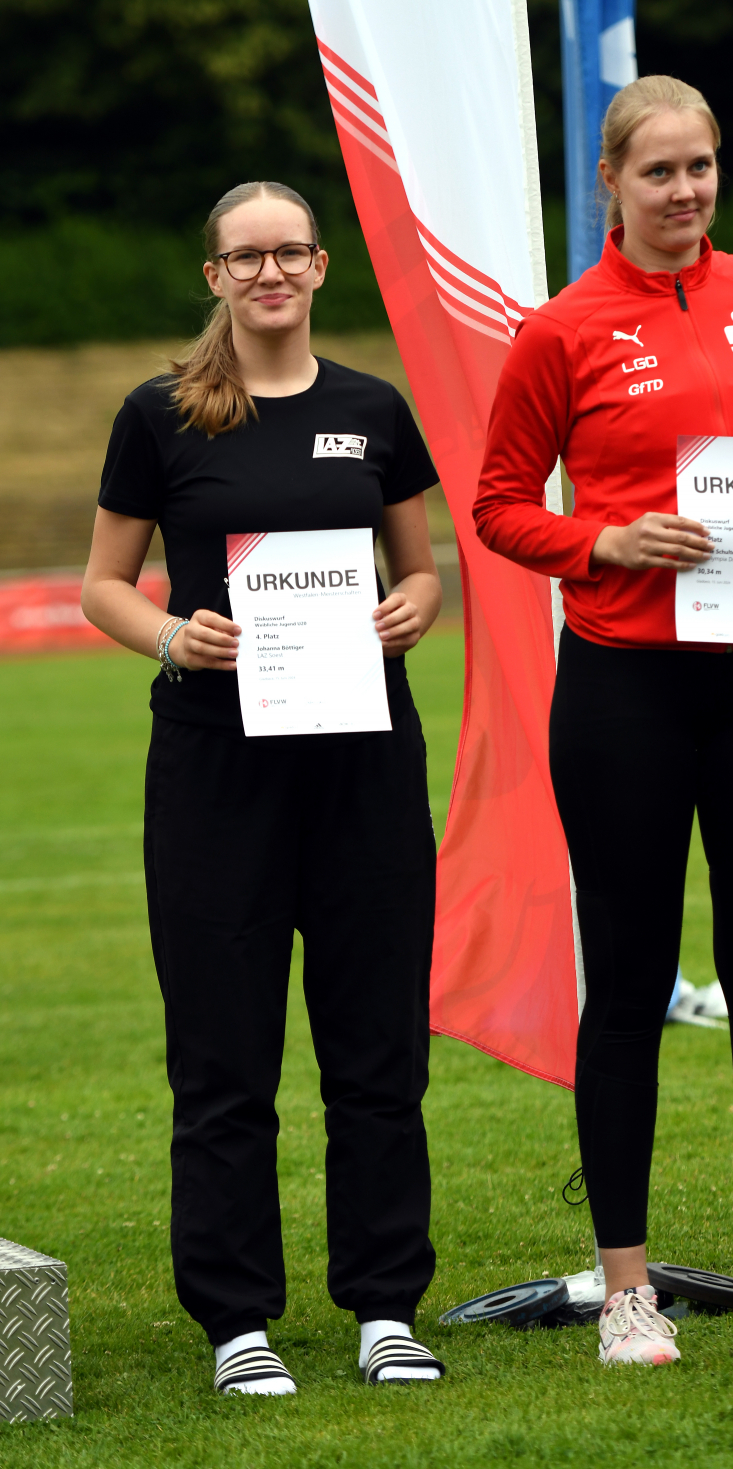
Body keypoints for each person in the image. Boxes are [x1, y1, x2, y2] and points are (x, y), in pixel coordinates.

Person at [474, 76, 733, 1366]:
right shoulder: (560, 329)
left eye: (701, 166)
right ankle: (627, 1288)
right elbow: (498, 504)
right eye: (660, 171)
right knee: (631, 986)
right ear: (611, 182)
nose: (686, 191)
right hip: (624, 690)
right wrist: (605, 539)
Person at [82, 180, 447, 1393]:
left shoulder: (372, 408)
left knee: (377, 1049)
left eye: (290, 251)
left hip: (363, 765)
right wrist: (172, 637)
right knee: (223, 1056)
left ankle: (385, 1306)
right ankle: (237, 1319)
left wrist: (412, 607)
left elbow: (421, 571)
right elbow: (103, 586)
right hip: (215, 770)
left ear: (322, 265)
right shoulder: (160, 414)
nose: (271, 272)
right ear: (217, 277)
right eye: (247, 257)